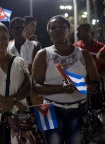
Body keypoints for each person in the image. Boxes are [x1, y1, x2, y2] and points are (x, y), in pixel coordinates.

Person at [32, 15, 100, 144]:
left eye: (62, 27)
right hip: (48, 109)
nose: (58, 30)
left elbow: (97, 86)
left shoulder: (83, 54)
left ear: (69, 29)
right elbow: (36, 87)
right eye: (53, 28)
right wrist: (61, 88)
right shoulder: (42, 54)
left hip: (79, 109)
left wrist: (79, 85)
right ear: (49, 32)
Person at [8, 17, 42, 105]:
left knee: (35, 115)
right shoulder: (7, 48)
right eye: (15, 28)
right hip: (14, 90)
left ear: (24, 29)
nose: (18, 30)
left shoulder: (35, 45)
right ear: (11, 30)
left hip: (32, 89)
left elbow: (35, 69)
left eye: (21, 27)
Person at [74, 23, 105, 109]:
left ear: (89, 31)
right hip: (80, 86)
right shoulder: (74, 48)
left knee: (98, 110)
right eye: (77, 30)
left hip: (98, 86)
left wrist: (99, 77)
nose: (77, 32)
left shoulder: (101, 47)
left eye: (80, 30)